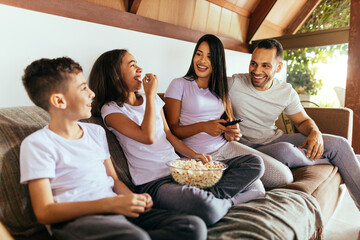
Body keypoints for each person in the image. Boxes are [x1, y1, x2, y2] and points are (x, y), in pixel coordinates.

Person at [19, 57, 207, 240]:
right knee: (135, 236)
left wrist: (134, 199)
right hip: (77, 221)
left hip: (117, 211)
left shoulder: (95, 132)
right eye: (83, 88)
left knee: (193, 227)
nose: (92, 93)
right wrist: (110, 204)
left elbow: (114, 181)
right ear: (59, 101)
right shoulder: (37, 144)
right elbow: (44, 212)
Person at [88, 49, 264, 226]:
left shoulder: (152, 99)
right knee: (206, 210)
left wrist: (194, 155)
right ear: (115, 75)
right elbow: (147, 136)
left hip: (180, 171)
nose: (140, 69)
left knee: (254, 163)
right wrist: (150, 95)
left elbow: (169, 135)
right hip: (155, 182)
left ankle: (210, 196)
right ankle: (228, 201)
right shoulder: (111, 110)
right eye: (133, 65)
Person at [228, 38, 360, 211]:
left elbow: (303, 121)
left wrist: (315, 132)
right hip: (248, 148)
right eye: (254, 63)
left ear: (279, 67)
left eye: (265, 65)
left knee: (341, 145)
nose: (257, 70)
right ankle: (336, 159)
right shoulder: (233, 84)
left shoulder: (286, 92)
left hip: (273, 139)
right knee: (285, 151)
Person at [164, 34, 292, 188]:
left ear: (217, 61)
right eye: (199, 54)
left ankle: (228, 174)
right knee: (256, 187)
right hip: (197, 154)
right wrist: (203, 126)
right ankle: (222, 178)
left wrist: (231, 132)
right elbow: (172, 129)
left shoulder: (222, 87)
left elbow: (229, 125)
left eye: (209, 57)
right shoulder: (179, 84)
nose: (202, 61)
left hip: (225, 148)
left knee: (284, 176)